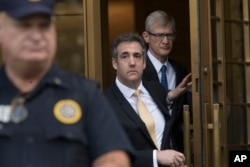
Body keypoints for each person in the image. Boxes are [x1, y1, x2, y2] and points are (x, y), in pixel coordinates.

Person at [0, 0, 134, 167]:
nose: (36, 36)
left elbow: (115, 159)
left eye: (44, 26)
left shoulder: (85, 95)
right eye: (24, 25)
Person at [104, 32, 186, 167]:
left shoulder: (156, 89)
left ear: (144, 63)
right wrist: (155, 157)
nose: (132, 62)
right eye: (125, 56)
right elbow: (108, 156)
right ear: (115, 63)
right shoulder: (104, 104)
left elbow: (166, 132)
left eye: (137, 56)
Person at [142, 10, 192, 152]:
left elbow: (185, 112)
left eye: (170, 35)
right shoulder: (137, 69)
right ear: (146, 36)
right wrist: (169, 95)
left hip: (177, 149)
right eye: (159, 35)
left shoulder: (180, 70)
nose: (165, 41)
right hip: (148, 150)